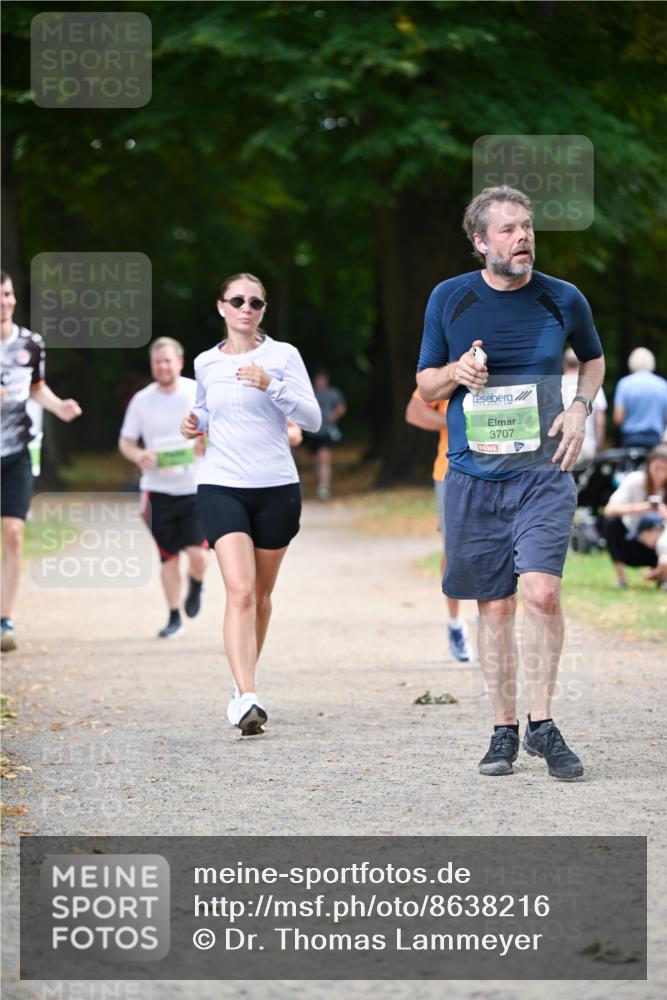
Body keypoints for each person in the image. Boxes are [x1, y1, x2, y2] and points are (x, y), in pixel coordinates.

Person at [416, 185, 605, 781]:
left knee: (542, 593)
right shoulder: (450, 299)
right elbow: (425, 386)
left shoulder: (562, 298)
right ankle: (503, 729)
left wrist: (579, 408)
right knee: (493, 606)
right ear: (480, 242)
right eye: (508, 230)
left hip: (542, 473)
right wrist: (456, 371)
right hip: (473, 475)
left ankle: (541, 723)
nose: (522, 237)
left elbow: (594, 359)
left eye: (527, 227)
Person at [180, 273, 321, 735]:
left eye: (256, 302)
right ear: (221, 306)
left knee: (260, 595)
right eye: (238, 300)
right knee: (239, 590)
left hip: (277, 487)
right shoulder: (204, 362)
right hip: (221, 485)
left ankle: (243, 689)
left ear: (264, 310)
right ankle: (247, 696)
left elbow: (312, 418)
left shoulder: (283, 356)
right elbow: (206, 407)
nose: (247, 308)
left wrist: (270, 385)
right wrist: (193, 420)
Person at [1, 270, 82, 652]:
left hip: (16, 452)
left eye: (8, 294)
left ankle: (4, 620)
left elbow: (37, 388)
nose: (4, 303)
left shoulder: (31, 344)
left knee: (14, 534)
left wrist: (59, 405)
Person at [119, 337, 210, 638]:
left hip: (196, 487)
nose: (163, 366)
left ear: (180, 362)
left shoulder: (196, 392)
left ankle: (196, 583)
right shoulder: (142, 400)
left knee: (199, 555)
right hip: (156, 491)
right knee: (168, 556)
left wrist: (205, 442)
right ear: (152, 366)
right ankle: (174, 616)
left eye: (168, 360)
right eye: (157, 362)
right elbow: (126, 441)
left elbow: (220, 428)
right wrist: (138, 455)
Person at [405, 389, 471, 661]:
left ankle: (489, 614)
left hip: (497, 468)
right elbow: (413, 411)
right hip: (450, 470)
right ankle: (455, 623)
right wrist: (451, 421)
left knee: (498, 544)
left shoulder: (503, 361)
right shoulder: (448, 368)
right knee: (453, 551)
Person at [603, 443, 667, 588]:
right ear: (649, 465)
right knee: (610, 522)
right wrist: (641, 508)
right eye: (656, 468)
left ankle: (661, 574)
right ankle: (622, 578)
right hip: (632, 540)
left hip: (661, 543)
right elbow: (609, 509)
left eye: (665, 469)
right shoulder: (635, 480)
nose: (660, 474)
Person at [302, 368, 346, 500]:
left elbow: (341, 407)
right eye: (318, 379)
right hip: (311, 433)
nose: (320, 382)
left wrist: (334, 415)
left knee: (324, 458)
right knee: (315, 461)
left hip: (326, 431)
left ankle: (324, 487)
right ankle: (320, 482)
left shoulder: (333, 393)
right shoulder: (310, 393)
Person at [561, 346, 607, 468]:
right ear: (582, 364)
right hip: (587, 445)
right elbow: (600, 420)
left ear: (564, 363)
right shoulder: (592, 385)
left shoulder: (556, 385)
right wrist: (599, 446)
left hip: (561, 446)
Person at [613, 347, 667, 449]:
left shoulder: (624, 384)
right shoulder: (663, 385)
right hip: (655, 441)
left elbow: (618, 418)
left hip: (631, 440)